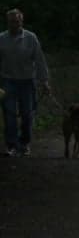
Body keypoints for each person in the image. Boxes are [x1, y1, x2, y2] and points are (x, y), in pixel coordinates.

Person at [0, 9, 50, 157]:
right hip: (8, 80)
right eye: (11, 22)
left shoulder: (30, 37)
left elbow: (39, 60)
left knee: (27, 115)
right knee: (9, 115)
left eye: (16, 21)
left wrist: (44, 81)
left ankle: (25, 143)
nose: (14, 24)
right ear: (7, 22)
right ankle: (12, 145)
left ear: (21, 21)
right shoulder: (1, 38)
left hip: (27, 81)